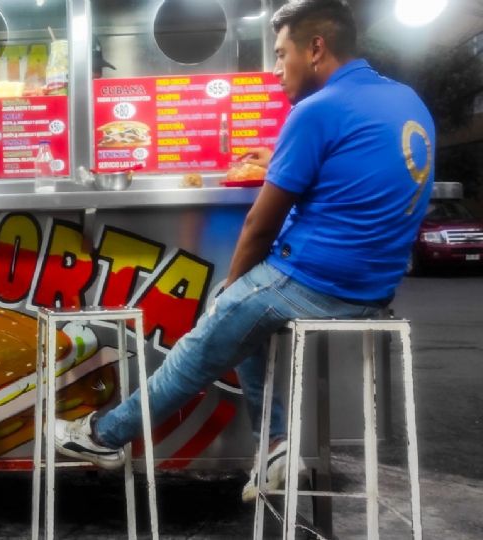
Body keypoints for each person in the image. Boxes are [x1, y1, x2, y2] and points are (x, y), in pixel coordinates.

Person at [54, 0, 435, 503]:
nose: (277, 70)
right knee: (246, 314)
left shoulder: (316, 111)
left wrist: (231, 293)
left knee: (216, 325)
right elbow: (355, 164)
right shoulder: (405, 99)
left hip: (317, 283)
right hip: (375, 288)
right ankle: (274, 445)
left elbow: (260, 223)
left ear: (316, 48)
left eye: (281, 55)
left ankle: (104, 436)